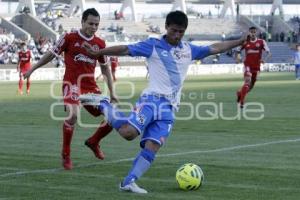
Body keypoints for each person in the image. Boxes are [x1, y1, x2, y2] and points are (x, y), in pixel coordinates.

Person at [81, 10, 248, 193]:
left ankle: (128, 182)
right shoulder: (153, 45)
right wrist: (100, 52)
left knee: (153, 145)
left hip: (170, 108)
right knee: (129, 133)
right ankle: (104, 103)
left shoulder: (188, 49)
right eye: (174, 30)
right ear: (166, 27)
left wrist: (240, 41)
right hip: (152, 100)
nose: (177, 35)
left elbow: (215, 48)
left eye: (181, 32)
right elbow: (125, 49)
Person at [23, 8, 117, 170]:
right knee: (73, 115)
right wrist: (32, 69)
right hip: (72, 84)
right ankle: (66, 154)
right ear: (82, 22)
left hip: (90, 87)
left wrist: (113, 93)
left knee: (114, 117)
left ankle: (94, 142)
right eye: (90, 23)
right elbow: (51, 54)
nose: (93, 27)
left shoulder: (100, 44)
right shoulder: (69, 38)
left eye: (96, 24)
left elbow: (105, 69)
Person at [236, 26, 271, 108]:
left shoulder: (262, 42)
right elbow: (237, 51)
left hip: (257, 67)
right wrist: (238, 58)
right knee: (247, 81)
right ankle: (242, 102)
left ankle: (240, 94)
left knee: (251, 86)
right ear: (249, 33)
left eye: (254, 32)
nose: (253, 33)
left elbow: (269, 53)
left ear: (256, 33)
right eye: (251, 32)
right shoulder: (245, 42)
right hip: (247, 65)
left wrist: (264, 60)